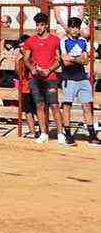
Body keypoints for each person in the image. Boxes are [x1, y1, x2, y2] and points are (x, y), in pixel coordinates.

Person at [22, 13, 70, 146]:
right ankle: (43, 133)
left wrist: (49, 69)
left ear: (46, 25)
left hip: (50, 77)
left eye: (41, 25)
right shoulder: (30, 40)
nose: (39, 27)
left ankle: (60, 133)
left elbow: (59, 59)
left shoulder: (55, 40)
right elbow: (26, 58)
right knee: (39, 105)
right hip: (35, 77)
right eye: (37, 25)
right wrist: (31, 68)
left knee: (54, 105)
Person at [60, 17, 99, 146]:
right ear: (69, 28)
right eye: (72, 27)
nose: (75, 29)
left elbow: (86, 60)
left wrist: (73, 59)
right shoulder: (64, 41)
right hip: (69, 77)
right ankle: (68, 134)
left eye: (77, 27)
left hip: (82, 77)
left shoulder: (83, 41)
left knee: (87, 105)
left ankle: (92, 135)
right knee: (67, 106)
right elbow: (65, 61)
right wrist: (79, 59)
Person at [15, 35, 39, 138]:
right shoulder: (20, 57)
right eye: (20, 47)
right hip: (25, 85)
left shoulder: (34, 55)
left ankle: (43, 130)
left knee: (39, 108)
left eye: (23, 46)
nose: (22, 49)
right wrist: (17, 61)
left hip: (36, 85)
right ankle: (32, 131)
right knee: (27, 109)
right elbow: (18, 73)